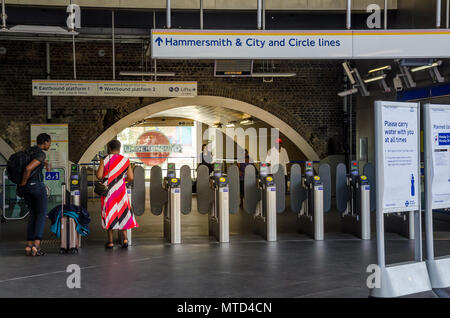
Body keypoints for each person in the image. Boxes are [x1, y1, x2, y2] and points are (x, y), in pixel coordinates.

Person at [96, 140, 138, 249]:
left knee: (110, 213)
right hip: (121, 191)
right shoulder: (125, 160)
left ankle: (110, 241)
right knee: (122, 212)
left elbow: (99, 176)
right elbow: (131, 177)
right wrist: (122, 181)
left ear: (109, 148)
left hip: (108, 192)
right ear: (119, 149)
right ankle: (124, 239)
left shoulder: (104, 159)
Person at [20, 133, 52, 256]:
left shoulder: (29, 151)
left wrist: (23, 186)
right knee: (41, 215)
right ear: (45, 142)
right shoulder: (40, 153)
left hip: (27, 188)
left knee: (33, 215)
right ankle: (36, 246)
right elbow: (28, 168)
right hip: (36, 186)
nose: (49, 145)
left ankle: (28, 245)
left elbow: (29, 166)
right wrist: (23, 184)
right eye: (49, 142)